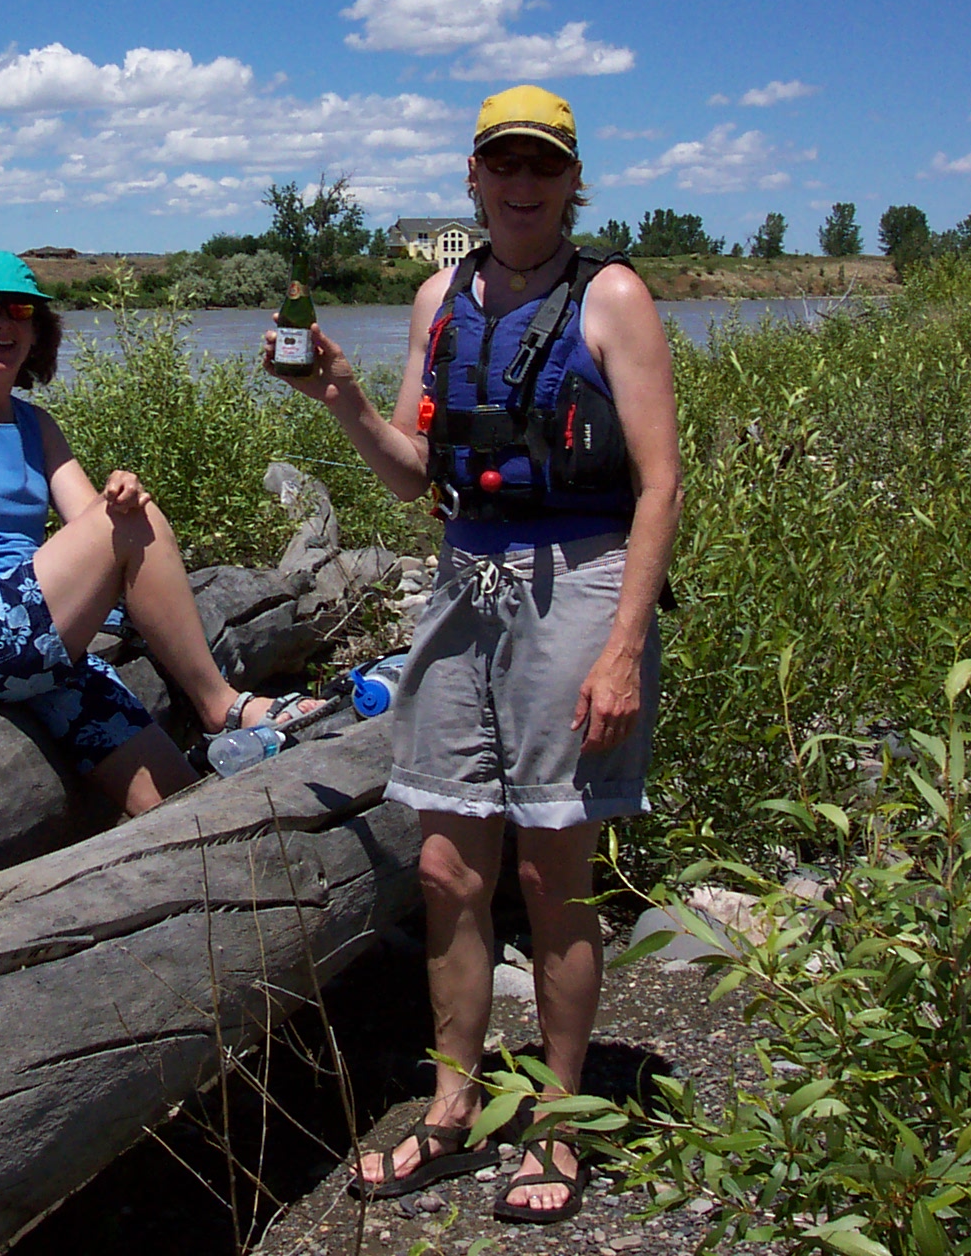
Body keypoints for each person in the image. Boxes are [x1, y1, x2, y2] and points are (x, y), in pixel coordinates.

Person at [273, 86, 681, 1224]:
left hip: (579, 588)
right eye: (503, 163)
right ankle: (450, 1108)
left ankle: (557, 1128)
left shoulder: (614, 299)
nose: (521, 184)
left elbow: (661, 486)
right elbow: (415, 478)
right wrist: (344, 399)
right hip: (464, 585)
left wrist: (621, 651)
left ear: (572, 180)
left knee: (554, 877)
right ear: (472, 175)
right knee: (451, 870)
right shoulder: (439, 299)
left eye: (542, 167)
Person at [0, 251, 315, 816]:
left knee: (183, 808)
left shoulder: (36, 426)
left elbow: (96, 522)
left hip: (36, 647)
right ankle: (221, 706)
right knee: (131, 518)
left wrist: (123, 492)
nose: (3, 326)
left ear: (38, 332)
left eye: (20, 313)